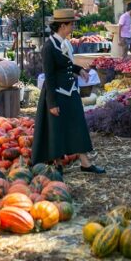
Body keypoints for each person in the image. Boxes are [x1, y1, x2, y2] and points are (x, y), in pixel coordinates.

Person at [32, 9, 105, 174]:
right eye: (71, 24)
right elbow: (49, 76)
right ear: (62, 25)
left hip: (71, 91)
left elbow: (66, 65)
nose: (73, 27)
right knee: (56, 128)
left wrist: (79, 70)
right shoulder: (49, 47)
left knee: (78, 125)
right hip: (57, 93)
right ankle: (58, 164)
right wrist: (51, 103)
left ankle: (85, 163)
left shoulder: (65, 43)